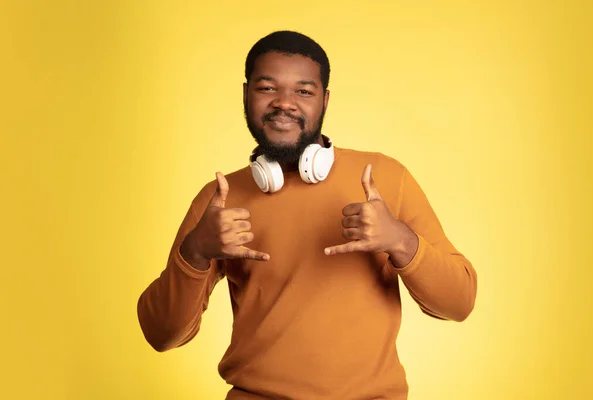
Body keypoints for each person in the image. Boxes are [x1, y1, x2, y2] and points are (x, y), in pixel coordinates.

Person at [137, 30, 477, 400]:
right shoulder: (219, 199)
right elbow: (161, 334)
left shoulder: (385, 178)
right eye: (268, 88)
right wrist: (196, 252)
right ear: (246, 95)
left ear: (324, 102)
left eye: (303, 91)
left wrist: (400, 240)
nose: (285, 103)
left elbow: (458, 303)